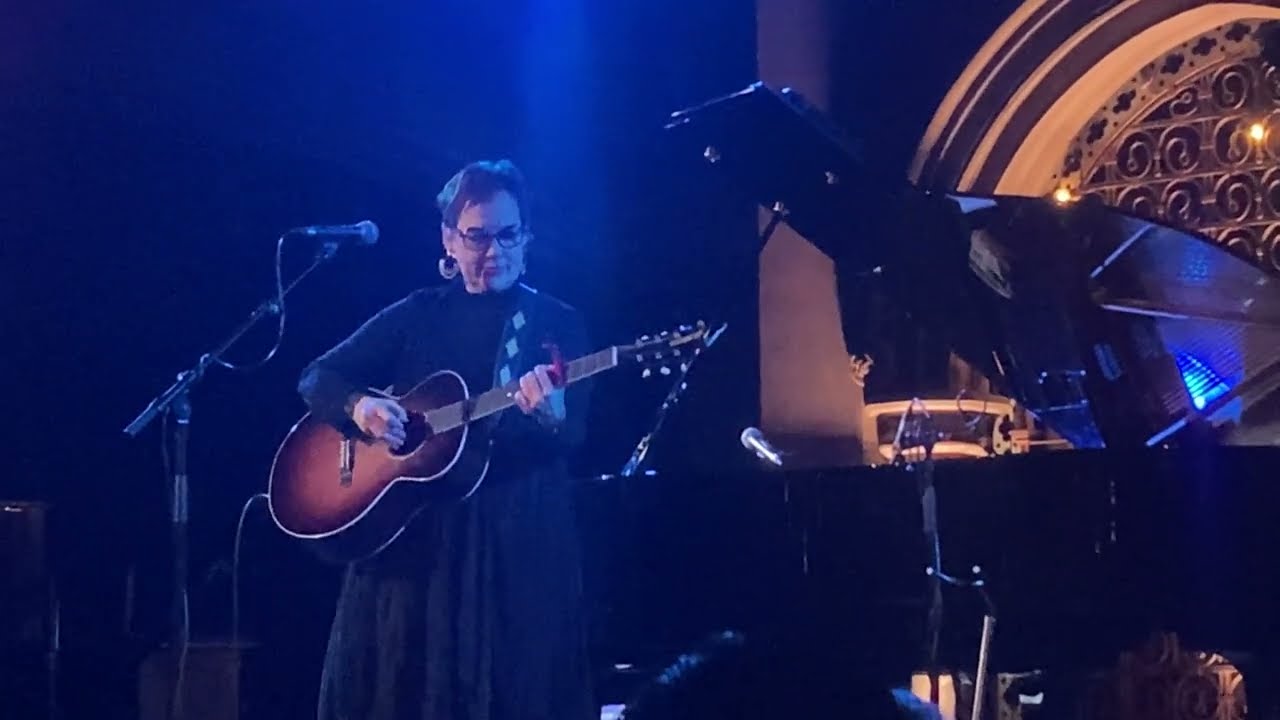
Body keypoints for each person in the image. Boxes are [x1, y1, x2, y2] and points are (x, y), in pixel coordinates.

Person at [298, 159, 597, 720]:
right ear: (449, 240)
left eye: (508, 234)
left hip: (516, 545)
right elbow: (317, 377)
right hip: (418, 544)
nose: (494, 250)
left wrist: (551, 414)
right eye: (477, 236)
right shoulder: (418, 314)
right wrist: (360, 407)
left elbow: (572, 434)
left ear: (527, 238)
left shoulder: (556, 322)